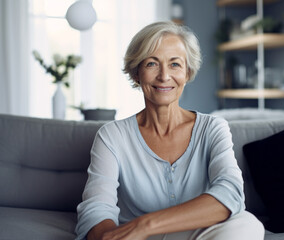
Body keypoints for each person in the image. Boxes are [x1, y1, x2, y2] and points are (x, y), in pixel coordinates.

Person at [75, 21, 264, 240]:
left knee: (247, 225)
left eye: (175, 64)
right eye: (152, 64)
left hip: (197, 234)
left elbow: (230, 194)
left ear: (187, 72)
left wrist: (145, 225)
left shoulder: (213, 128)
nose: (164, 76)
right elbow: (96, 210)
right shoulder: (112, 136)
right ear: (136, 73)